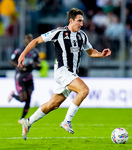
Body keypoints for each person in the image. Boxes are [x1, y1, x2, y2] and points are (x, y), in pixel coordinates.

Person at [17, 8, 111, 140]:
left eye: (82, 21)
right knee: (84, 90)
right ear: (71, 20)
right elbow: (36, 41)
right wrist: (22, 54)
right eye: (79, 21)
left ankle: (28, 121)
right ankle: (66, 121)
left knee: (53, 105)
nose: (82, 24)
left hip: (71, 74)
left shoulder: (82, 35)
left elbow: (90, 52)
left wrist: (101, 54)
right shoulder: (59, 33)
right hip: (62, 71)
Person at [8, 34, 41, 124]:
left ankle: (22, 118)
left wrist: (37, 65)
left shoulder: (35, 52)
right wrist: (18, 66)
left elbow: (39, 66)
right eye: (27, 39)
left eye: (30, 39)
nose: (29, 40)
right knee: (23, 99)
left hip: (29, 76)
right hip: (20, 76)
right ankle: (13, 95)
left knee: (28, 98)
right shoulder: (19, 50)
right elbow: (11, 60)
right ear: (24, 40)